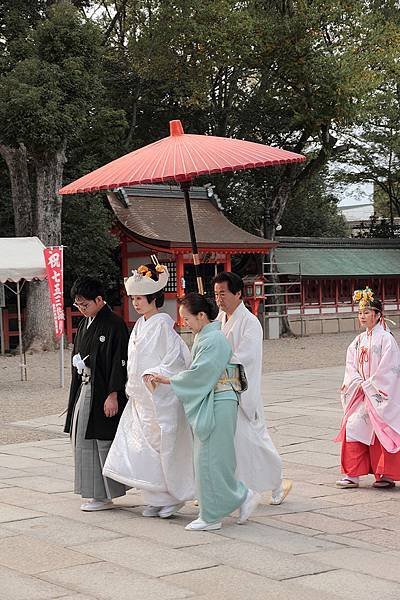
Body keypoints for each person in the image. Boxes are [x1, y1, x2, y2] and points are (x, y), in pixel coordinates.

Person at [152, 292, 261, 531]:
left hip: (219, 400)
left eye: (187, 318)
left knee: (212, 459)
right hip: (216, 400)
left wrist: (170, 380)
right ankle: (239, 496)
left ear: (202, 315)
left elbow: (200, 373)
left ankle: (214, 514)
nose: (184, 324)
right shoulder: (208, 336)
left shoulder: (213, 339)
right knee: (210, 459)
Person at [103, 261, 195, 518]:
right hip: (140, 398)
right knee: (141, 447)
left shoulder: (163, 325)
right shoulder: (140, 326)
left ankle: (171, 496)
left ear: (154, 298)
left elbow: (176, 358)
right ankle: (155, 495)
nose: (135, 303)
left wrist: (158, 374)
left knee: (160, 445)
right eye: (133, 298)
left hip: (157, 396)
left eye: (140, 298)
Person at [213, 271, 292, 504]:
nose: (219, 298)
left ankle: (277, 483)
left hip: (241, 390)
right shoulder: (218, 319)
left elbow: (244, 357)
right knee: (231, 444)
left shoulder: (250, 322)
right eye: (216, 294)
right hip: (222, 388)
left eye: (223, 293)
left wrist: (216, 361)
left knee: (255, 441)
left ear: (238, 293)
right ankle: (230, 488)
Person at [64, 276, 129, 511]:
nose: (82, 309)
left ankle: (104, 495)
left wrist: (113, 394)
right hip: (85, 386)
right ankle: (94, 493)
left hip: (103, 389)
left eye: (86, 304)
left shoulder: (114, 324)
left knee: (102, 441)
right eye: (78, 305)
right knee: (82, 438)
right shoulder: (85, 324)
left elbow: (119, 361)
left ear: (100, 300)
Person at [335, 287, 400, 489]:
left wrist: (371, 385)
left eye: (366, 312)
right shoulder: (358, 341)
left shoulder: (386, 339)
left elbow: (390, 369)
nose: (362, 316)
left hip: (377, 393)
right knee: (354, 427)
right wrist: (356, 382)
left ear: (378, 315)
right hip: (361, 393)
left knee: (381, 430)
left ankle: (384, 474)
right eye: (360, 312)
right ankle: (352, 474)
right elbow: (350, 366)